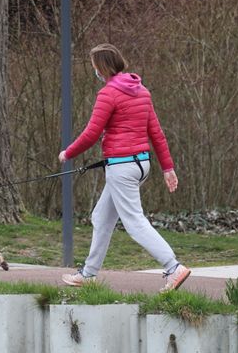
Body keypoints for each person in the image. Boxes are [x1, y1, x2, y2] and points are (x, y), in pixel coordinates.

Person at [59, 43, 190, 292]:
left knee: (134, 222)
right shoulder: (142, 91)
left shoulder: (108, 94)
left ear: (102, 67)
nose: (94, 72)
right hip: (141, 164)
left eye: (94, 67)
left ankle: (173, 268)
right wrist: (167, 168)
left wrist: (68, 153)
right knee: (101, 217)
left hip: (122, 167)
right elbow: (157, 133)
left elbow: (91, 133)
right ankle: (88, 274)